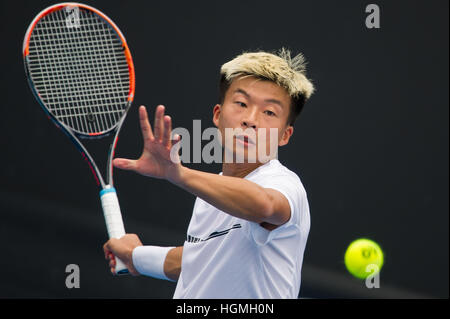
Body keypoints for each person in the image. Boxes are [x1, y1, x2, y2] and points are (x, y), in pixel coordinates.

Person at [103, 48, 315, 298]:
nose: (251, 119)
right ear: (218, 114)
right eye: (241, 103)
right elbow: (202, 259)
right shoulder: (209, 196)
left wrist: (179, 174)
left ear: (284, 135)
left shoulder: (285, 185)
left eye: (269, 112)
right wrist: (136, 257)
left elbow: (264, 204)